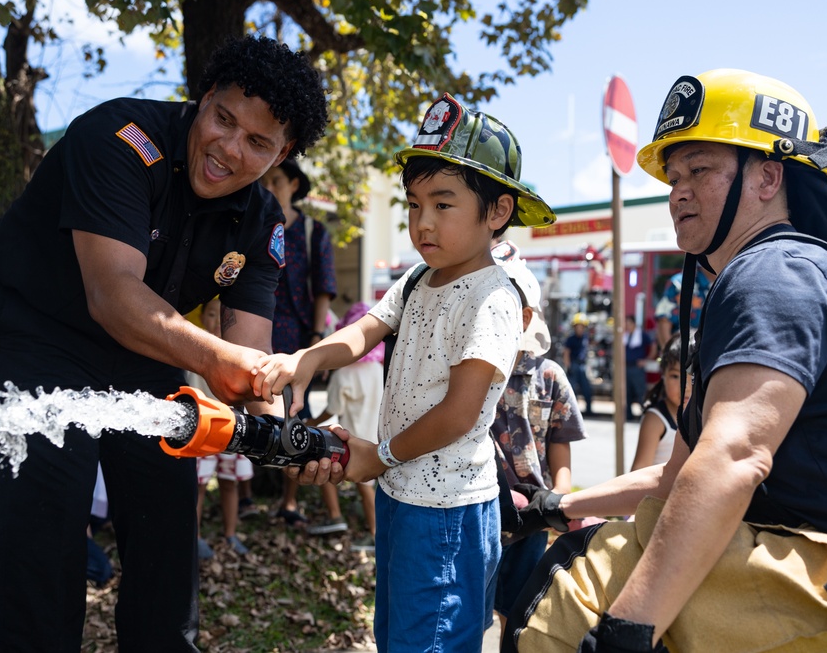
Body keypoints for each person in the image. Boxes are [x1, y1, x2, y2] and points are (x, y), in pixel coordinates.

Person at [0, 35, 329, 652]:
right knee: (45, 522)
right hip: (37, 335)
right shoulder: (120, 137)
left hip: (146, 350)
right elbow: (114, 295)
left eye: (258, 143)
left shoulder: (262, 221)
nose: (228, 149)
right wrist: (222, 361)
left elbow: (253, 356)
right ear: (204, 97)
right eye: (223, 119)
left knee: (167, 522)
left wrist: (286, 437)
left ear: (285, 153)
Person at [502, 68, 827, 653]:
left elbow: (735, 457)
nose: (677, 192)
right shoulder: (784, 271)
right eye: (673, 176)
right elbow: (678, 479)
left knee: (567, 596)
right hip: (805, 564)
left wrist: (628, 629)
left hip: (814, 568)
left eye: (700, 170)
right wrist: (554, 505)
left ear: (768, 177)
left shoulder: (772, 271)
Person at [254, 92, 557, 652]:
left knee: (433, 641)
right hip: (400, 494)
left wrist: (379, 454)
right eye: (414, 204)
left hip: (448, 512)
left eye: (443, 205)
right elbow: (368, 327)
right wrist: (307, 359)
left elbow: (460, 413)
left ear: (497, 212)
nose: (423, 222)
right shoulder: (420, 277)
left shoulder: (493, 296)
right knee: (397, 635)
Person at [487, 246, 587, 640]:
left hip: (532, 520)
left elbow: (560, 447)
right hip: (480, 511)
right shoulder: (468, 370)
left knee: (519, 614)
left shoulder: (549, 376)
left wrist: (559, 501)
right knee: (472, 610)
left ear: (527, 316)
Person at [259, 157, 338, 529]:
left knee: (294, 412)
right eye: (266, 181)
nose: (270, 187)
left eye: (277, 180)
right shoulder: (254, 224)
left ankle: (289, 500)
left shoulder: (313, 231)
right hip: (256, 330)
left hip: (297, 337)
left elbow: (323, 288)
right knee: (252, 402)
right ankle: (246, 492)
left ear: (293, 184)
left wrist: (316, 339)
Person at [304, 301, 385, 546]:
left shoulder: (345, 372)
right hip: (379, 437)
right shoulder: (379, 368)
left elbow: (333, 409)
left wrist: (310, 422)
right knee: (371, 487)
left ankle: (353, 524)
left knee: (326, 468)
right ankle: (372, 530)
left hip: (353, 441)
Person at [189, 298, 252, 558]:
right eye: (212, 314)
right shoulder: (192, 348)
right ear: (203, 318)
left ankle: (230, 534)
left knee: (229, 483)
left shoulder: (237, 350)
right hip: (202, 430)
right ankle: (196, 537)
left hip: (232, 428)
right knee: (199, 485)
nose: (217, 321)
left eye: (222, 315)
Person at [630, 333, 688, 472]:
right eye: (675, 376)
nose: (685, 386)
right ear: (663, 375)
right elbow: (639, 473)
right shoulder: (656, 419)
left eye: (693, 377)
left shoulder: (706, 415)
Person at [653, 269, 711, 347]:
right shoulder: (680, 283)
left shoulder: (727, 282)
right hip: (683, 350)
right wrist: (670, 355)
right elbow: (664, 319)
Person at [623, 315, 655, 420]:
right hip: (626, 367)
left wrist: (646, 359)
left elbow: (653, 346)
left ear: (634, 324)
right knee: (626, 392)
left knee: (640, 392)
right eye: (626, 323)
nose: (627, 326)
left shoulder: (641, 334)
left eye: (629, 323)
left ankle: (645, 416)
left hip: (637, 368)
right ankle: (628, 415)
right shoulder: (625, 335)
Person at [562, 313, 594, 415]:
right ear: (575, 327)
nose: (580, 329)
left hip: (583, 366)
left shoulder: (585, 338)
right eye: (578, 326)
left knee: (587, 389)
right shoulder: (570, 339)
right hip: (574, 365)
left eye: (582, 326)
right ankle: (573, 412)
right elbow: (566, 353)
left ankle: (589, 410)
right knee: (572, 390)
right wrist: (568, 366)